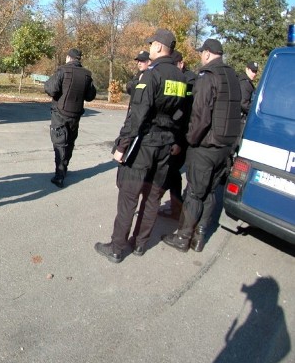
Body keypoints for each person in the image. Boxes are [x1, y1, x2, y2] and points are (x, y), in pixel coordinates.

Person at [95, 29, 188, 262]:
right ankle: (140, 244)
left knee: (129, 196)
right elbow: (182, 115)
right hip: (166, 147)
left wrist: (121, 146)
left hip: (145, 145)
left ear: (157, 47)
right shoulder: (181, 78)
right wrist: (176, 140)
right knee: (153, 196)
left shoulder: (150, 75)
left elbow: (137, 116)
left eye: (152, 44)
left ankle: (117, 248)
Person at [162, 38, 241, 253]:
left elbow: (200, 116)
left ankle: (183, 236)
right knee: (210, 193)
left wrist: (190, 140)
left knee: (195, 194)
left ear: (207, 53)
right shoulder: (233, 77)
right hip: (225, 148)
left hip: (206, 147)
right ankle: (199, 237)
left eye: (201, 53)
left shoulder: (207, 77)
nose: (200, 57)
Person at [43, 48, 97, 187]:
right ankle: (64, 168)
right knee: (70, 142)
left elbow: (51, 89)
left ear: (68, 57)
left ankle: (59, 175)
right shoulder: (87, 74)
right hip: (76, 115)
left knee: (60, 142)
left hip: (60, 113)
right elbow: (91, 96)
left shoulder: (63, 70)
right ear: (79, 59)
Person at [159, 49, 196, 219]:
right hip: (174, 134)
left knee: (170, 172)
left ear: (181, 64)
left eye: (175, 65)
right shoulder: (179, 78)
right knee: (173, 174)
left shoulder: (190, 81)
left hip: (182, 135)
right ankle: (175, 208)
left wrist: (179, 141)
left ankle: (160, 205)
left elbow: (186, 115)